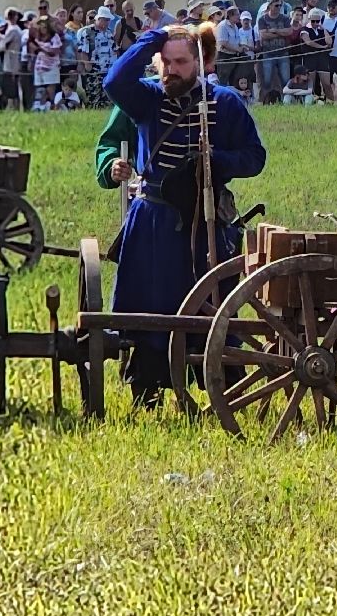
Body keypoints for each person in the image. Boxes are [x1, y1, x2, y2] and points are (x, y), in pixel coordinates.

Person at [104, 23, 267, 407]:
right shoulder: (145, 98)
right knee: (147, 306)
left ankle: (217, 384)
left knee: (212, 306)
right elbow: (114, 81)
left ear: (199, 62)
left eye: (180, 61)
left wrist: (216, 161)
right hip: (152, 222)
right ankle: (148, 386)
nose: (171, 70)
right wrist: (154, 37)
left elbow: (254, 157)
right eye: (166, 62)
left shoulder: (224, 103)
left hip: (204, 218)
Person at [77, 6, 118, 105]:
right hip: (94, 71)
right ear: (99, 19)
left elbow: (114, 50)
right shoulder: (88, 32)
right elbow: (83, 51)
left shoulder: (109, 33)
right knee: (94, 98)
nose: (108, 22)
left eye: (108, 20)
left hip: (108, 71)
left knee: (107, 99)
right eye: (106, 20)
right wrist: (87, 65)